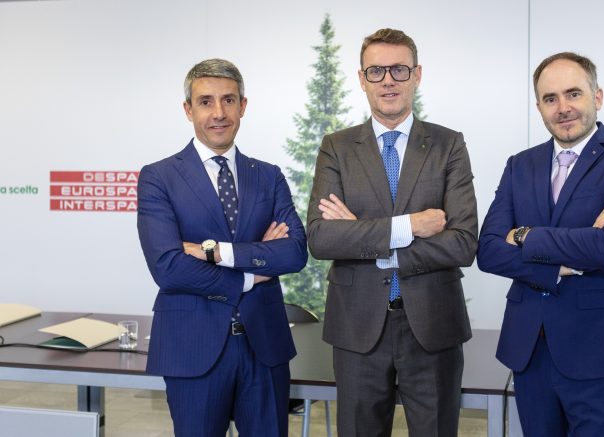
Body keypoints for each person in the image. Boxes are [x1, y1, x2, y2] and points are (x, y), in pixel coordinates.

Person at [306, 28, 478, 436]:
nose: (388, 80)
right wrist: (409, 227)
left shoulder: (449, 145)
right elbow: (322, 238)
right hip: (357, 327)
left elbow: (463, 242)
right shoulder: (336, 147)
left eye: (399, 69)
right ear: (361, 78)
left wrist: (366, 238)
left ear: (417, 75)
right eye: (376, 71)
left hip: (433, 325)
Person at [477, 52, 604, 436]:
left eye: (574, 94)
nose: (563, 108)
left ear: (597, 96)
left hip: (600, 349)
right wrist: (558, 265)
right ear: (539, 107)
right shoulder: (520, 165)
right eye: (550, 98)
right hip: (530, 349)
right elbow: (488, 250)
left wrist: (523, 235)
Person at [137, 58, 307, 437]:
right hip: (192, 347)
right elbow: (168, 266)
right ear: (188, 109)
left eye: (228, 100)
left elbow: (294, 252)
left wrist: (216, 253)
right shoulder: (158, 177)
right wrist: (252, 273)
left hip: (265, 348)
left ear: (243, 106)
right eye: (206, 101)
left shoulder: (268, 176)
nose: (218, 113)